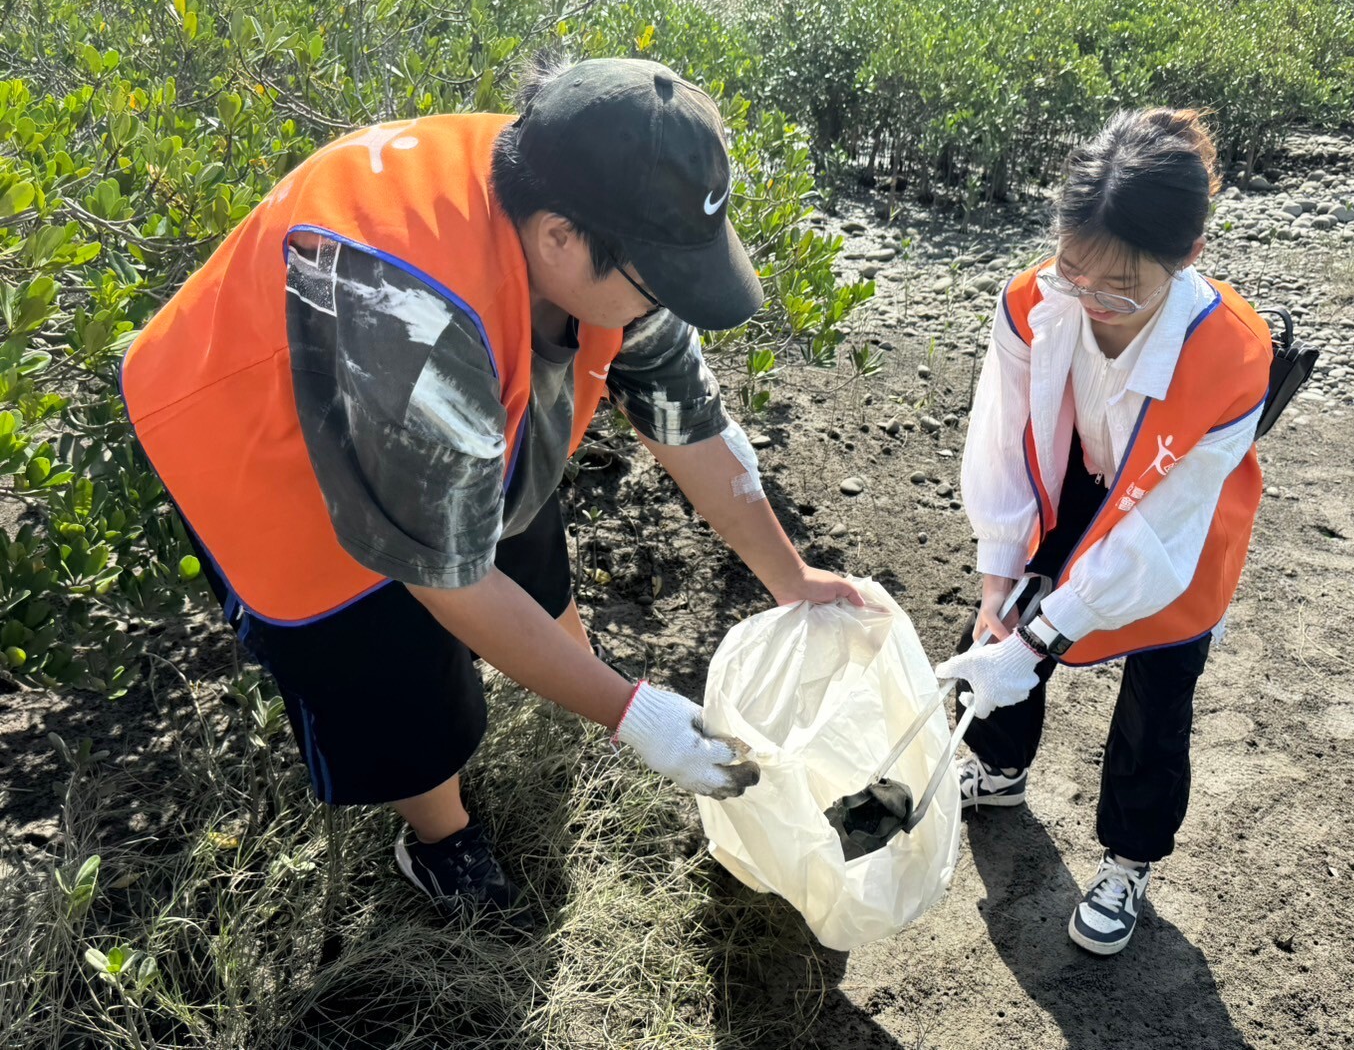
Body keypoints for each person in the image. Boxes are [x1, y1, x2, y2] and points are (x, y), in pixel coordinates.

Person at [120, 54, 863, 927]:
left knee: (525, 542)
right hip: (264, 442)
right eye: (656, 282)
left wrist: (792, 577)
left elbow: (685, 419)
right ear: (558, 239)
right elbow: (448, 578)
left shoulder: (605, 210)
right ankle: (441, 839)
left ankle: (571, 710)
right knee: (394, 672)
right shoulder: (412, 310)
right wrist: (640, 716)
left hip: (454, 403)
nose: (665, 301)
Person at [936, 108, 1272, 956]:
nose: (1091, 303)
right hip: (1077, 480)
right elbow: (1004, 438)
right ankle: (1000, 769)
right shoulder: (1035, 299)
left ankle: (1128, 860)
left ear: (1188, 258)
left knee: (1159, 689)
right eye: (1073, 269)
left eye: (1119, 288)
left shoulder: (1229, 355)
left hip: (1178, 524)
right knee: (1002, 626)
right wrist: (998, 591)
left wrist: (1046, 632)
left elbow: (1155, 533)